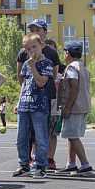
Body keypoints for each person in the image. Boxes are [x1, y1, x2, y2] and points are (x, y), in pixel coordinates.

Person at [12, 33, 53, 179]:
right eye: (28, 49)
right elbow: (24, 83)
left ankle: (41, 166)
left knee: (41, 139)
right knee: (21, 138)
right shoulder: (26, 64)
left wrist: (33, 66)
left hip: (39, 107)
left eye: (34, 47)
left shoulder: (46, 63)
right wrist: (19, 101)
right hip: (24, 106)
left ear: (41, 45)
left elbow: (41, 82)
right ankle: (24, 165)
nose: (32, 51)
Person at [55, 41, 94, 176]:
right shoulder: (83, 67)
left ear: (67, 53)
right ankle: (71, 163)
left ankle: (85, 164)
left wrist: (67, 107)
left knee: (72, 136)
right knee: (72, 135)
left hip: (74, 107)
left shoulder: (71, 68)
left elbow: (74, 88)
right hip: (84, 106)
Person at [44, 39, 66, 169]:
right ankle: (35, 158)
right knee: (37, 134)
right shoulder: (37, 65)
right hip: (39, 106)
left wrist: (59, 89)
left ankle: (50, 159)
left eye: (51, 50)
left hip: (54, 107)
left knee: (52, 134)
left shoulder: (62, 69)